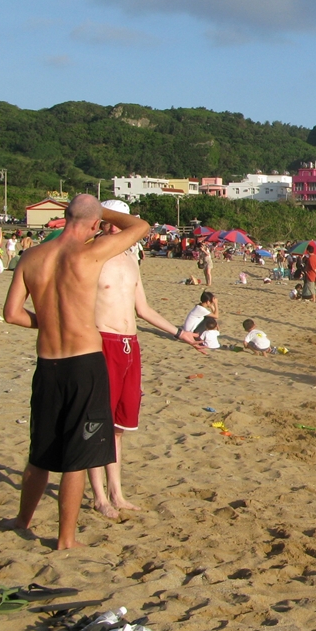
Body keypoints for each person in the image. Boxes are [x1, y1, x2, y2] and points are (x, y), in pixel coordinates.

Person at [2, 195, 150, 550]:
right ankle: (65, 538)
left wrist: (46, 321)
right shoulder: (90, 253)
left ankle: (23, 520)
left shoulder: (32, 257)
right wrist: (102, 211)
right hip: (84, 363)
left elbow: (11, 313)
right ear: (95, 223)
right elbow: (141, 227)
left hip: (47, 363)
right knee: (76, 455)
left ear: (64, 217)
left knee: (40, 450)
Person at [87, 199, 207, 519]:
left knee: (118, 426)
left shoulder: (130, 258)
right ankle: (98, 496)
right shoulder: (92, 254)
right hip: (102, 342)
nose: (114, 228)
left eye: (120, 223)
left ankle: (117, 492)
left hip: (130, 346)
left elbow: (144, 309)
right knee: (97, 423)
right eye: (109, 222)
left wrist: (180, 333)